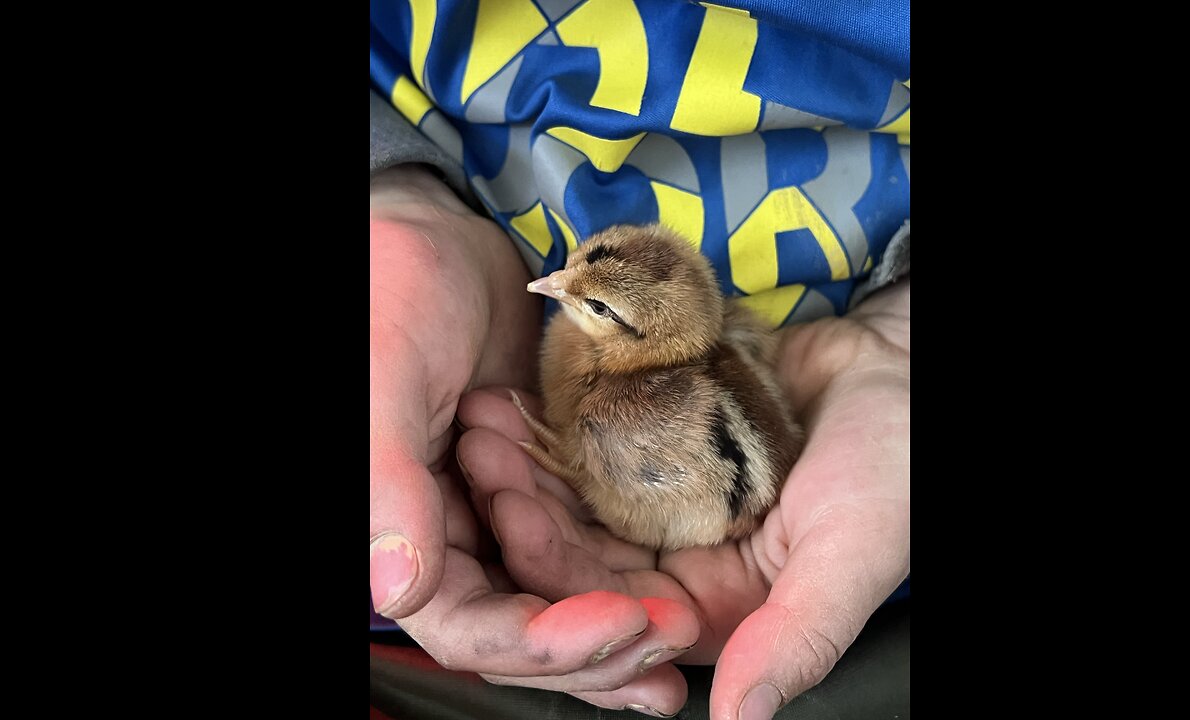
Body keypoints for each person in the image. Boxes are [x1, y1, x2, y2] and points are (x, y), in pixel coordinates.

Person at [370, 1, 909, 717]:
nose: (562, 285)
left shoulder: (616, 401)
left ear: (637, 340)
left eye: (589, 304)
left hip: (858, 572)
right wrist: (397, 189)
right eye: (580, 272)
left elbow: (685, 465)